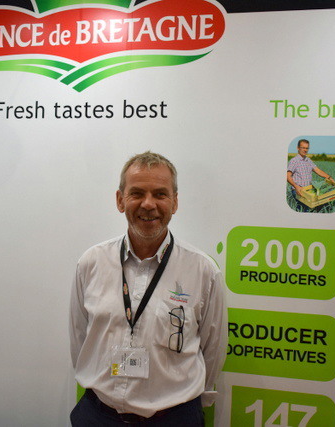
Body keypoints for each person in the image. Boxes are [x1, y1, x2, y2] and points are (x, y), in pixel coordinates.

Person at [69, 151, 226, 426]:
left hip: (173, 418)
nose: (149, 204)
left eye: (160, 194)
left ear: (175, 202)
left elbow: (213, 350)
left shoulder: (203, 271)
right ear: (120, 200)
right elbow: (80, 339)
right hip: (98, 416)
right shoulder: (91, 263)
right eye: (137, 193)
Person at [286, 139, 335, 211]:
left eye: (307, 148)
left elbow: (317, 170)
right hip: (298, 190)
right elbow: (287, 176)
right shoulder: (294, 161)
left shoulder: (308, 160)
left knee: (310, 208)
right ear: (298, 148)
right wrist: (296, 187)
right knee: (303, 210)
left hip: (308, 191)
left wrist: (329, 177)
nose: (305, 150)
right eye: (303, 148)